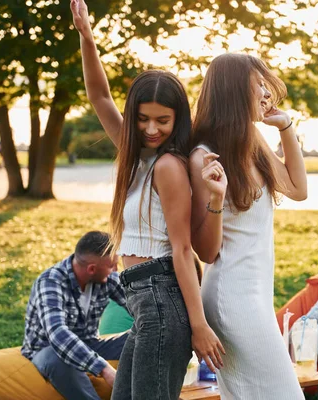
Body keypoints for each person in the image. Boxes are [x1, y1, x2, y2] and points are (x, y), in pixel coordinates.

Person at [71, 1, 224, 399]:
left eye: (162, 120)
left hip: (161, 298)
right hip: (143, 302)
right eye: (142, 119)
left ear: (177, 120)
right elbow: (99, 96)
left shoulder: (169, 166)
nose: (151, 128)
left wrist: (198, 324)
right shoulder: (137, 157)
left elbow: (183, 247)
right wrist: (87, 38)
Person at [189, 53, 308, 399]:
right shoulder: (203, 156)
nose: (265, 93)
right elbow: (206, 251)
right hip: (231, 296)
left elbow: (298, 190)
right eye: (257, 85)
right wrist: (215, 198)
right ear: (233, 92)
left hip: (254, 293)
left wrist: (285, 127)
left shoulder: (251, 141)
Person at [21, 231, 128, 400]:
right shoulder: (50, 282)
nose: (116, 270)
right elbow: (58, 334)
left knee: (141, 337)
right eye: (112, 266)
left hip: (90, 344)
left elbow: (135, 306)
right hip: (47, 350)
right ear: (92, 269)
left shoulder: (106, 277)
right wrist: (104, 369)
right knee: (61, 359)